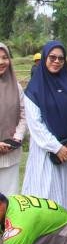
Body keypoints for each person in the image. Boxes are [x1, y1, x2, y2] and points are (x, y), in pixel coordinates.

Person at [22, 40, 67, 223]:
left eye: (61, 58)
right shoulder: (34, 89)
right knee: (45, 194)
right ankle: (43, 242)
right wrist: (56, 147)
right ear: (44, 58)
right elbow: (35, 125)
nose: (57, 61)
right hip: (45, 153)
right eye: (52, 57)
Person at [0, 42, 27, 196]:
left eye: (5, 57)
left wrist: (15, 140)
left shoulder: (16, 86)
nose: (1, 62)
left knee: (9, 202)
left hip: (10, 154)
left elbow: (24, 116)